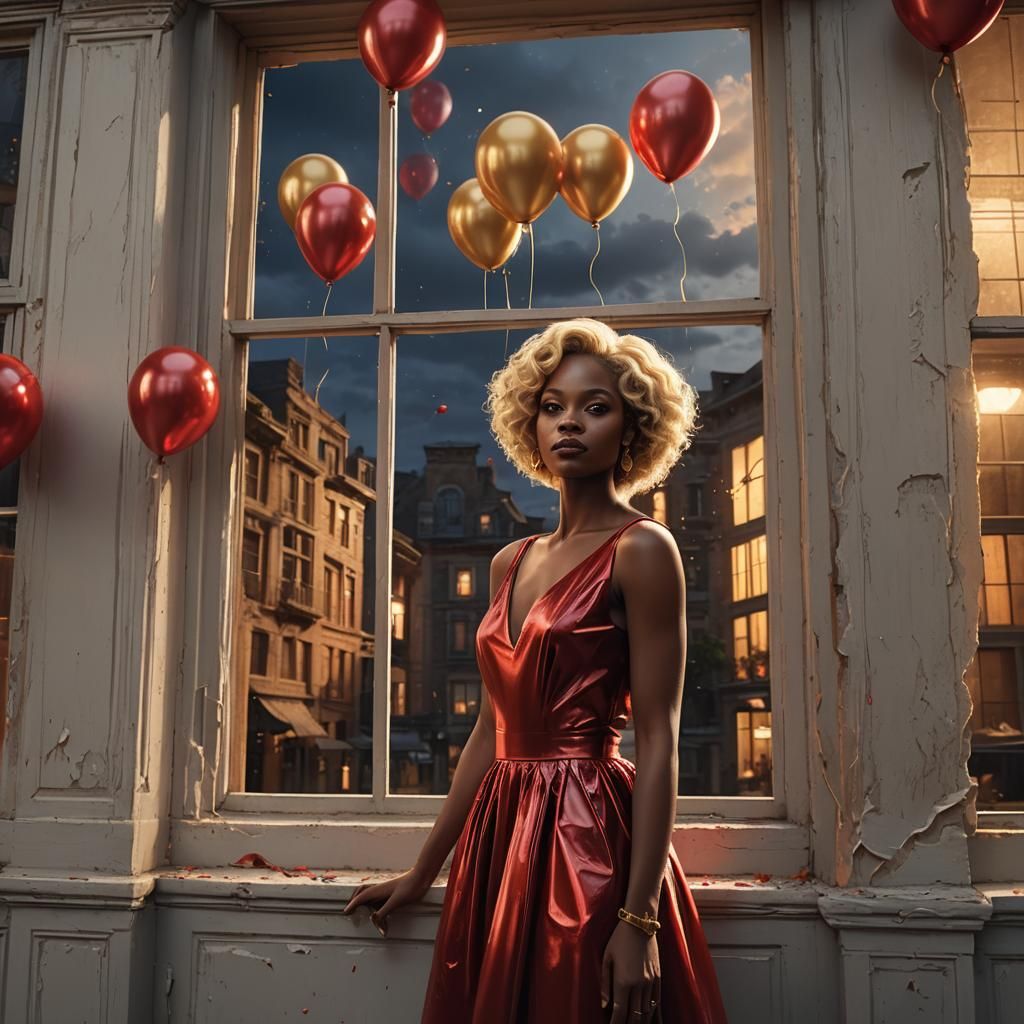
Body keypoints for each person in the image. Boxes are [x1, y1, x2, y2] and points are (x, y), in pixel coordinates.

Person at [343, 318, 728, 1024]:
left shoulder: (645, 550)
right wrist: (425, 870)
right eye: (553, 407)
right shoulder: (508, 561)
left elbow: (660, 739)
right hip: (499, 836)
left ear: (633, 427)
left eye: (595, 406)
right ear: (530, 422)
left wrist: (638, 921)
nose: (569, 423)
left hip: (588, 837)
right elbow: (491, 731)